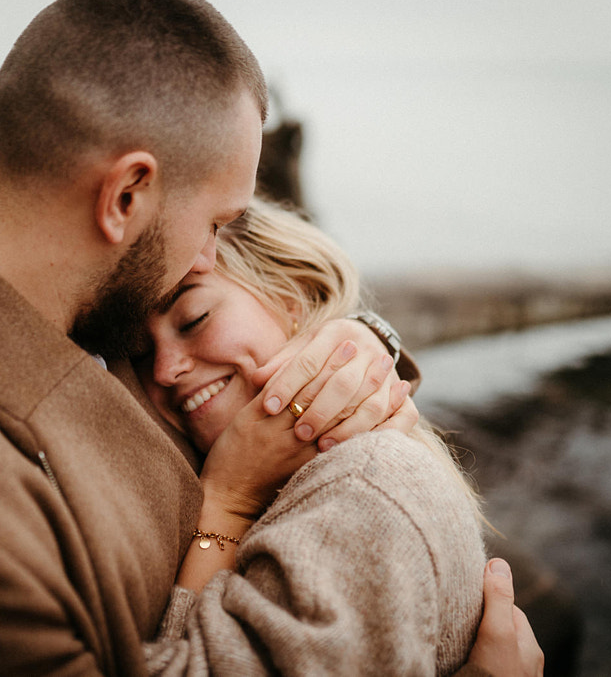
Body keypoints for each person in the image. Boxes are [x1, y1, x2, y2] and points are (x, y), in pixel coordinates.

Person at [0, 0, 540, 675]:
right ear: (127, 195)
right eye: (217, 222)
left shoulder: (86, 313)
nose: (212, 253)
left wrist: (351, 341)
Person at [133, 199, 544, 675]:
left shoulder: (361, 489)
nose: (164, 369)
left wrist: (228, 499)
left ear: (294, 298)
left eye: (193, 319)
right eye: (140, 353)